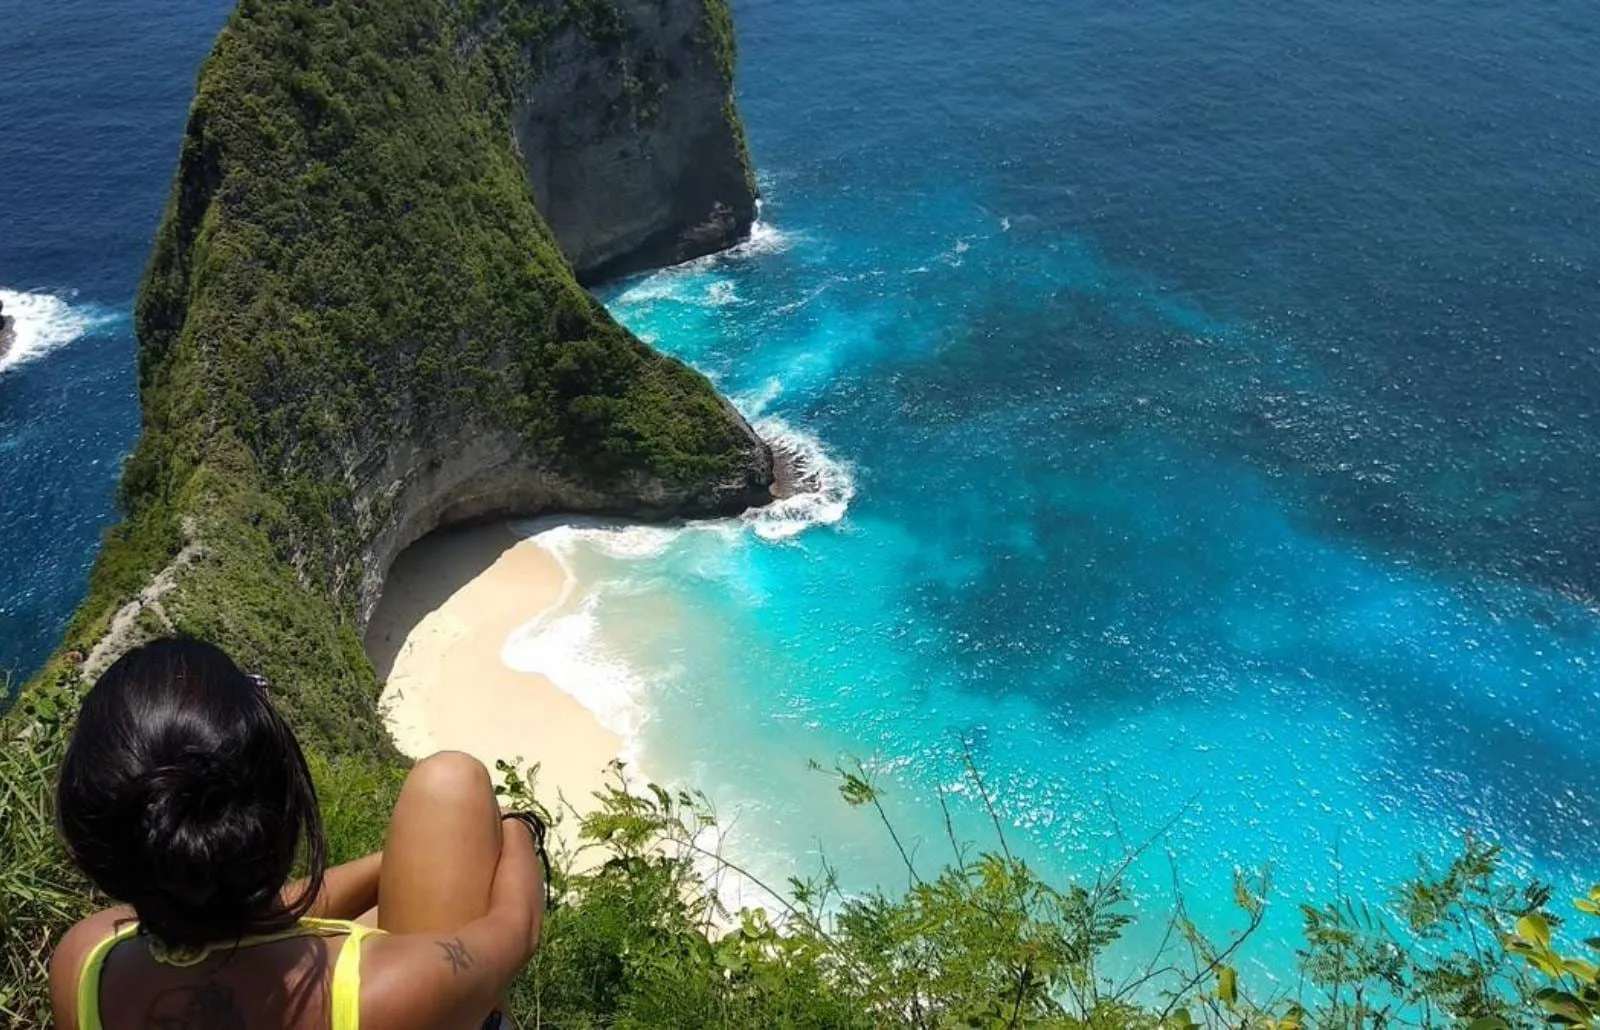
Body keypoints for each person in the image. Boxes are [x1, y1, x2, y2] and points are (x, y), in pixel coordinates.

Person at [48, 637, 547, 1030]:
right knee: (453, 780)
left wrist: (395, 861)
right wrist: (518, 828)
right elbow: (515, 929)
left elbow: (231, 918)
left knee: (446, 791)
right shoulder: (387, 992)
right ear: (283, 803)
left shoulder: (84, 962)